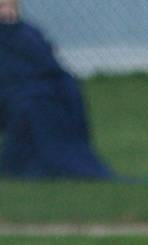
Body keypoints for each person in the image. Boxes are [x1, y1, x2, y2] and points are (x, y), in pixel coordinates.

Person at [0, 0, 113, 180]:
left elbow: (47, 64)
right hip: (13, 92)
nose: (6, 12)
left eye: (9, 7)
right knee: (32, 104)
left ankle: (66, 154)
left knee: (64, 93)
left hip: (37, 87)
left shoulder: (27, 33)